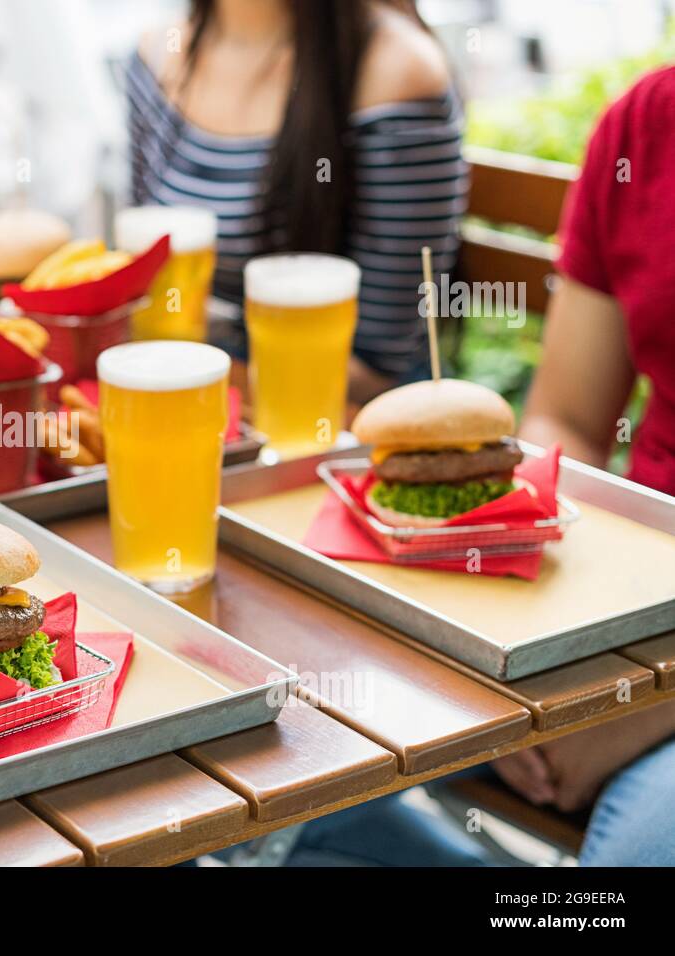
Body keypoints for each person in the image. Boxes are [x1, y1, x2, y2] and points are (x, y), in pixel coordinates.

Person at [493, 62, 675, 867]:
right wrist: (536, 655)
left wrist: (644, 694)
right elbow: (566, 423)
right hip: (648, 598)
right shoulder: (646, 124)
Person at [126, 0, 466, 403]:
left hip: (338, 420)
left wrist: (182, 377)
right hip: (203, 395)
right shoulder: (154, 55)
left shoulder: (397, 69)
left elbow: (376, 369)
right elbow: (143, 279)